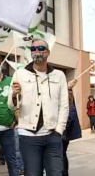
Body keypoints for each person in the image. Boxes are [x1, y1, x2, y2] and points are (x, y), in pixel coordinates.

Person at [8, 39, 69, 176]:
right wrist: (14, 94)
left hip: (52, 134)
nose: (37, 51)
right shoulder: (20, 74)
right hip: (29, 136)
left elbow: (64, 105)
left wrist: (59, 130)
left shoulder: (59, 75)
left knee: (57, 173)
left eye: (41, 48)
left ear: (48, 52)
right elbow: (11, 105)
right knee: (33, 173)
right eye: (33, 49)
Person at [62, 79, 82, 176]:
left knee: (61, 155)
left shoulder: (66, 98)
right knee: (61, 155)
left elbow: (70, 115)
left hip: (62, 133)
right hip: (63, 133)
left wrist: (62, 130)